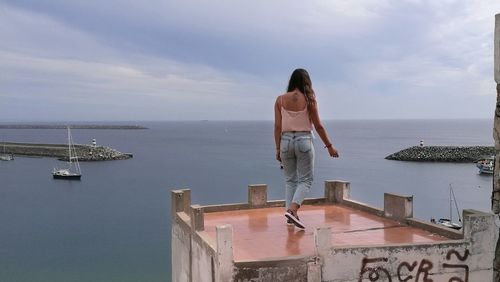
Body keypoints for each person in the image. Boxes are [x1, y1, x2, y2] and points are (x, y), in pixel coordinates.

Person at [274, 68, 339, 229]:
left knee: (290, 180)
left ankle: (291, 215)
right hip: (304, 140)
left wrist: (277, 149)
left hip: (285, 141)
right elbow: (318, 126)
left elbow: (277, 126)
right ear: (306, 82)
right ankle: (293, 209)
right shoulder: (309, 99)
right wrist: (330, 146)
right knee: (306, 180)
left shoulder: (280, 100)